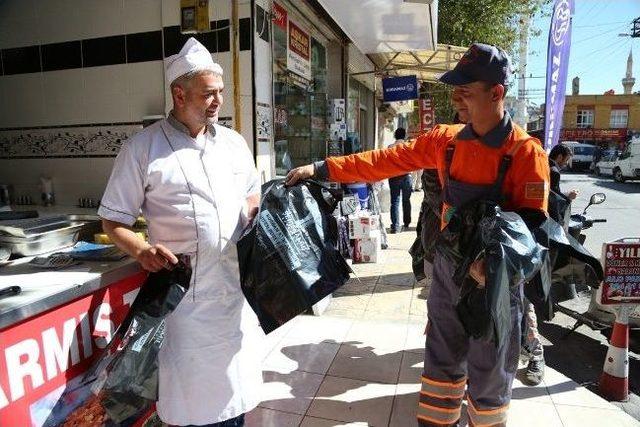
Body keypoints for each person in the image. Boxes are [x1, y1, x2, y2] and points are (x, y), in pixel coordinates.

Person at [286, 43, 550, 427]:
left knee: (489, 368)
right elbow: (384, 161)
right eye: (455, 88)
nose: (456, 97)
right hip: (447, 270)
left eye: (466, 90)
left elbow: (532, 229)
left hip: (493, 283)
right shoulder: (445, 141)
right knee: (441, 362)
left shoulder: (526, 153)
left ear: (497, 93)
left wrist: (491, 266)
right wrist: (321, 168)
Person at [98, 38, 263, 427]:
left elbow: (252, 189)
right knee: (192, 404)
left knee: (234, 395)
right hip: (185, 302)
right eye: (208, 94)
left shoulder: (234, 144)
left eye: (220, 92)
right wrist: (141, 250)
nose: (217, 101)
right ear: (179, 93)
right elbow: (113, 220)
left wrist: (253, 210)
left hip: (233, 295)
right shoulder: (143, 149)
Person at [387, 127, 413, 233]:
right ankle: (406, 222)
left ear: (395, 135)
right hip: (406, 177)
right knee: (406, 200)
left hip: (394, 177)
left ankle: (396, 226)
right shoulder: (408, 146)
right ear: (404, 136)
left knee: (395, 201)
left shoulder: (390, 147)